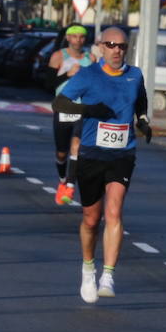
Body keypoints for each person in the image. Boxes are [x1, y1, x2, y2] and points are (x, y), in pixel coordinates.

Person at [51, 27, 152, 303]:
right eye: (111, 45)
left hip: (122, 153)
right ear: (101, 47)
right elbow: (59, 104)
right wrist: (88, 110)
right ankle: (88, 268)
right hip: (92, 153)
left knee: (114, 211)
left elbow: (141, 99)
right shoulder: (88, 75)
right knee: (91, 219)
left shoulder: (134, 75)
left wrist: (143, 120)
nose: (117, 50)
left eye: (122, 46)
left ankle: (108, 275)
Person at [48, 25, 95, 205]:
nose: (78, 40)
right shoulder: (58, 57)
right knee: (62, 153)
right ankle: (62, 180)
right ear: (68, 38)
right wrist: (68, 74)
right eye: (74, 37)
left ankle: (70, 185)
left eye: (81, 37)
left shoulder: (91, 59)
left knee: (77, 146)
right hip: (63, 109)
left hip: (81, 109)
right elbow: (48, 83)